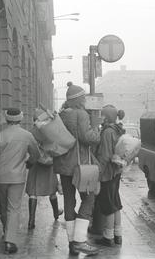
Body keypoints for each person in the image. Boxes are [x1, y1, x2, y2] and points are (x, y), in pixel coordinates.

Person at [53, 82, 100, 256]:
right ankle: (80, 240)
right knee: (89, 198)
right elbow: (87, 138)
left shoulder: (62, 114)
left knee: (69, 202)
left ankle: (72, 243)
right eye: (84, 97)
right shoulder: (81, 114)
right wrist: (96, 129)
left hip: (63, 166)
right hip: (80, 166)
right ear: (79, 99)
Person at [0, 108, 40, 254]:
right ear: (21, 119)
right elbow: (36, 154)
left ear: (6, 119)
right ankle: (10, 241)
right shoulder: (27, 136)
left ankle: (6, 232)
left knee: (3, 206)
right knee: (14, 208)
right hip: (17, 177)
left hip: (0, 177)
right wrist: (29, 163)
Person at [26, 109, 63, 230]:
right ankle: (56, 213)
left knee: (33, 192)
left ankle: (31, 221)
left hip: (36, 163)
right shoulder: (50, 131)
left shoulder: (31, 132)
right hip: (49, 164)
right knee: (52, 190)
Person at [96, 105, 125, 247]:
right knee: (116, 203)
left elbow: (105, 156)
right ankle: (118, 235)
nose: (100, 117)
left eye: (102, 115)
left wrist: (98, 174)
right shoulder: (117, 129)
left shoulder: (107, 132)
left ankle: (108, 237)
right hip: (116, 172)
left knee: (108, 205)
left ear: (107, 117)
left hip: (107, 173)